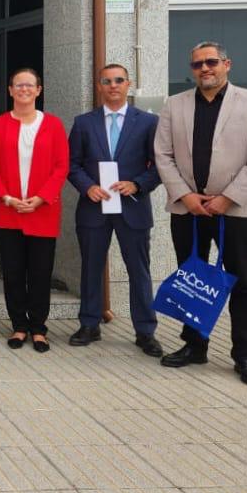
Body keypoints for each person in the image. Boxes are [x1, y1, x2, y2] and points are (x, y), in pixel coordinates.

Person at [155, 41, 247, 387]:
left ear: (226, 64)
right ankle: (195, 346)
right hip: (189, 209)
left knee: (243, 282)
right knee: (191, 279)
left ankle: (245, 355)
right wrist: (185, 195)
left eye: (211, 62)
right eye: (197, 64)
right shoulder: (175, 104)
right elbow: (163, 154)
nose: (204, 69)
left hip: (235, 211)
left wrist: (227, 198)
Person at [67, 64, 163, 357]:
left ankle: (145, 331)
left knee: (139, 271)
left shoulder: (148, 122)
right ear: (99, 86)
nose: (113, 86)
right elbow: (71, 164)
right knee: (91, 268)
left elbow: (160, 165)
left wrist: (137, 184)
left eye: (119, 80)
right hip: (94, 207)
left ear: (128, 84)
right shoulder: (84, 123)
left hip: (132, 207)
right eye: (107, 81)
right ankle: (89, 324)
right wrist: (88, 187)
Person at [0, 69, 69, 353]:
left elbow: (61, 166)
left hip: (42, 211)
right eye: (18, 85)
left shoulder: (53, 125)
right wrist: (7, 198)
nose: (24, 89)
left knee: (41, 272)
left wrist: (42, 197)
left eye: (29, 85)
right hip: (8, 210)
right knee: (14, 272)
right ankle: (19, 326)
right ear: (10, 90)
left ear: (38, 90)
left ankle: (39, 329)